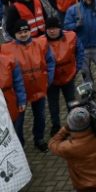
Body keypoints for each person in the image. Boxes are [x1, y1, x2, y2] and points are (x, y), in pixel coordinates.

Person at [1, 20, 56, 151]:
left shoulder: (41, 44)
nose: (24, 34)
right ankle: (20, 146)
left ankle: (39, 139)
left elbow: (50, 61)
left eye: (26, 31)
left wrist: (48, 79)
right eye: (20, 33)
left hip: (39, 88)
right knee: (18, 121)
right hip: (19, 93)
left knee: (40, 116)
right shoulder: (6, 48)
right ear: (15, 34)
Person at [49, 107, 96, 192]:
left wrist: (65, 129)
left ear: (71, 126)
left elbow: (52, 143)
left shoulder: (68, 147)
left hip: (86, 188)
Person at [45, 16, 85, 137]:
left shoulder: (71, 36)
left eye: (54, 28)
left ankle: (74, 123)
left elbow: (80, 51)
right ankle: (56, 126)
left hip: (68, 77)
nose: (52, 31)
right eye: (49, 28)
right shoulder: (40, 42)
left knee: (71, 102)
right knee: (53, 105)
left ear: (59, 28)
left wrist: (76, 68)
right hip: (51, 81)